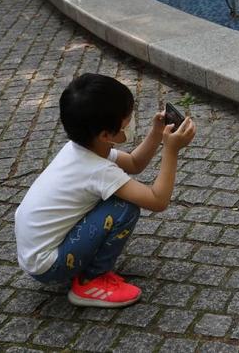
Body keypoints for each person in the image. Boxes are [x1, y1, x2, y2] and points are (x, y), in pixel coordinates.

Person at [14, 73, 196, 308]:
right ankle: (90, 282)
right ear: (105, 135)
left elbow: (133, 163)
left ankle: (85, 270)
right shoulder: (97, 170)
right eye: (127, 122)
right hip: (49, 265)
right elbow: (157, 200)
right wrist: (171, 151)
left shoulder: (80, 149)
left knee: (115, 198)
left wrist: (157, 133)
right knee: (124, 207)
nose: (130, 125)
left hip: (35, 253)